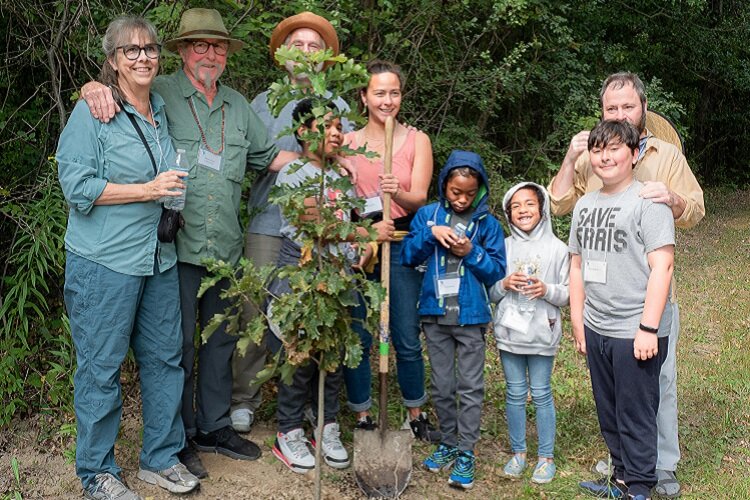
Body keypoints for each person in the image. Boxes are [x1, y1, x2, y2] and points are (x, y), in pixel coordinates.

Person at [80, 8, 298, 478]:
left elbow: (268, 156)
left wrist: (323, 162)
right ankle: (178, 440)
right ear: (180, 51)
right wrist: (91, 87)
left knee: (220, 339)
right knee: (173, 347)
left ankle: (215, 426)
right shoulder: (158, 94)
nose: (210, 53)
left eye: (218, 46)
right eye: (200, 45)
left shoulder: (239, 106)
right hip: (172, 248)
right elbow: (114, 94)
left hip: (225, 246)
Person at [57, 15, 199, 499]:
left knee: (165, 358)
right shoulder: (93, 113)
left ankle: (160, 457)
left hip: (157, 260)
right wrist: (147, 189)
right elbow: (76, 187)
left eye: (150, 49)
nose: (142, 57)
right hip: (104, 263)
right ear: (113, 61)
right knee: (100, 366)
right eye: (130, 51)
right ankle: (97, 471)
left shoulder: (161, 106)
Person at [548, 72, 704, 498]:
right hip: (601, 303)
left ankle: (659, 468)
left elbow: (696, 209)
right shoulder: (591, 152)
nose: (620, 114)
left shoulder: (667, 155)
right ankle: (625, 468)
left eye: (628, 107)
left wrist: (670, 199)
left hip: (644, 299)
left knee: (656, 387)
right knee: (615, 394)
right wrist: (569, 157)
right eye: (611, 108)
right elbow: (560, 204)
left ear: (643, 108)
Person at [230, 11, 354, 434]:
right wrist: (303, 159)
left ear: (325, 58)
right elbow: (248, 155)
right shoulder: (262, 104)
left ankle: (303, 403)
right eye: (297, 46)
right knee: (256, 310)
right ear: (284, 56)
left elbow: (345, 158)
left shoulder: (337, 106)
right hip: (269, 221)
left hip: (319, 235)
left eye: (313, 47)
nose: (305, 53)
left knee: (310, 313)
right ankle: (244, 398)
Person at [266, 100, 380, 473]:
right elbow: (319, 226)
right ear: (303, 132)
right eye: (326, 126)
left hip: (337, 273)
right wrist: (368, 232)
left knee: (331, 355)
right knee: (299, 355)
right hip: (300, 272)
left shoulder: (341, 176)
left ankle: (327, 424)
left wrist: (363, 247)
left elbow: (352, 221)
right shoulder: (294, 174)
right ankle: (288, 430)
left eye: (338, 127)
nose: (335, 133)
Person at [569, 120, 675, 500]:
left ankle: (642, 487)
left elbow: (662, 266)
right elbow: (577, 266)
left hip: (636, 331)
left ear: (633, 155)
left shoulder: (649, 201)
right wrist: (579, 323)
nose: (605, 156)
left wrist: (647, 328)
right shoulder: (584, 206)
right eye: (597, 149)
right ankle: (621, 479)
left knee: (636, 413)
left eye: (614, 148)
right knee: (609, 411)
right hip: (597, 328)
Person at [343, 59, 438, 439]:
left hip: (401, 245)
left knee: (404, 332)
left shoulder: (418, 140)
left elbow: (420, 198)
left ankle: (415, 412)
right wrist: (363, 235)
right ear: (364, 97)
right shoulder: (348, 143)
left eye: (393, 92)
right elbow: (340, 201)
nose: (387, 100)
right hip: (362, 243)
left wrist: (393, 190)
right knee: (358, 333)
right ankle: (363, 415)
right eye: (379, 93)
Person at [401, 150, 506, 489]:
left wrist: (470, 252)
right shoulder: (428, 216)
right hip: (434, 316)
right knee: (442, 386)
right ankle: (448, 440)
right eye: (455, 192)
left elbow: (496, 271)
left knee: (470, 387)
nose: (462, 199)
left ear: (480, 189)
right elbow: (406, 255)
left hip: (471, 318)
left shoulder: (488, 225)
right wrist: (431, 234)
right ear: (444, 184)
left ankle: (466, 451)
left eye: (469, 193)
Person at [489, 182, 569, 484]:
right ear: (508, 213)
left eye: (530, 204)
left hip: (542, 335)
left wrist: (546, 289)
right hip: (510, 334)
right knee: (514, 393)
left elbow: (568, 294)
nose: (523, 210)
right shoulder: (503, 248)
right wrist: (504, 284)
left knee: (541, 392)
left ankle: (545, 456)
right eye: (516, 206)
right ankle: (519, 452)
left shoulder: (558, 249)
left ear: (543, 208)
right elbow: (492, 292)